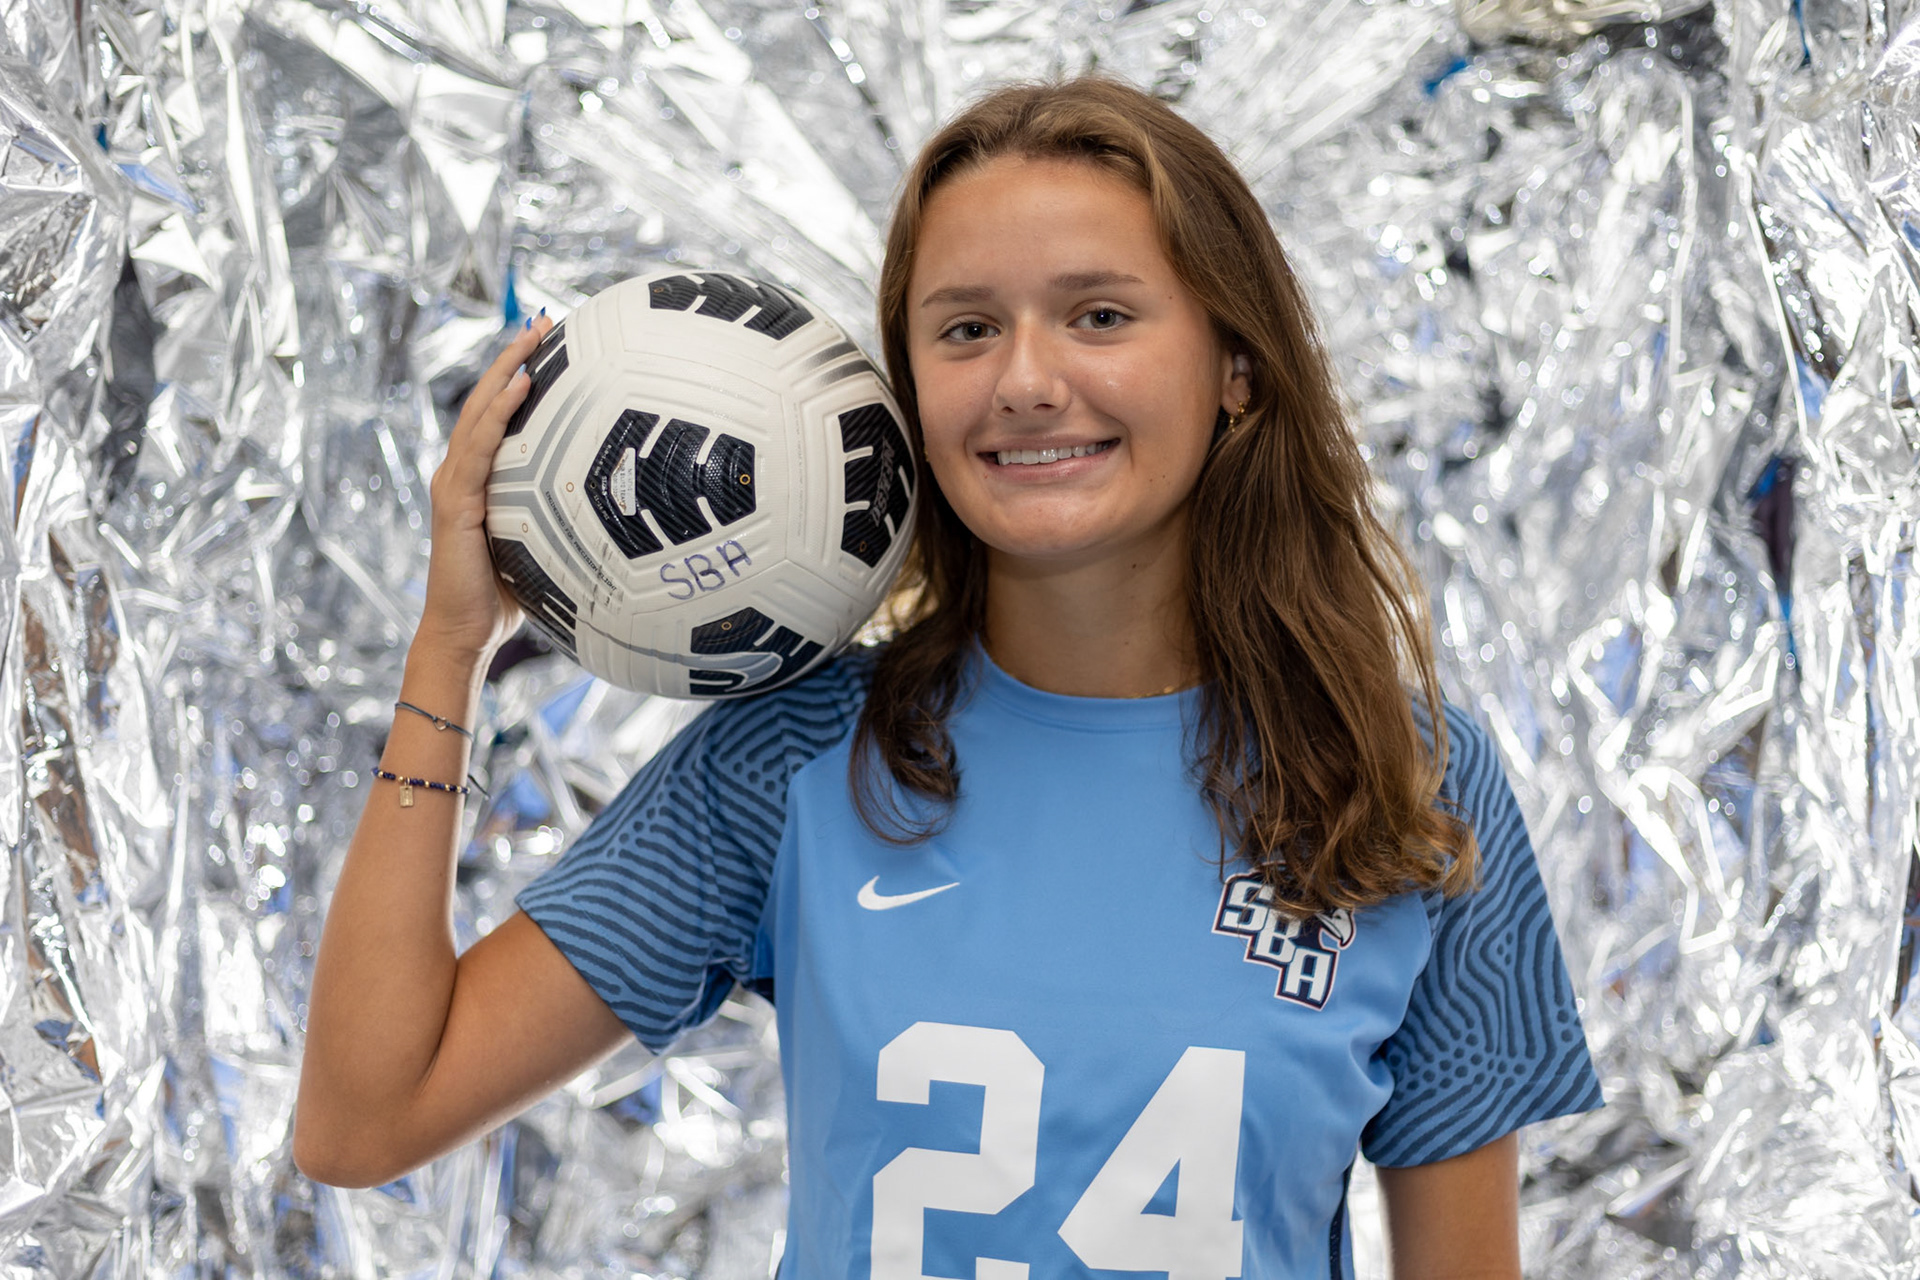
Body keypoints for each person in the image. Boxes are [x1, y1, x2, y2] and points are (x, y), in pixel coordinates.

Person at [294, 74, 1604, 1278]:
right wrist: (448, 651)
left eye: (1100, 315)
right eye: (967, 328)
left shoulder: (1406, 778)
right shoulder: (795, 761)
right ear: (905, 395)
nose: (1026, 382)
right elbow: (366, 1117)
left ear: (1236, 368)